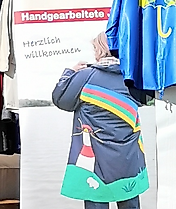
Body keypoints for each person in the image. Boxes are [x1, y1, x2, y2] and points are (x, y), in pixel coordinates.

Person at [53, 34, 148, 209]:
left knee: (96, 201)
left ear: (99, 50)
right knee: (130, 200)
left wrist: (70, 72)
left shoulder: (86, 77)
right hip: (128, 159)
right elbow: (146, 99)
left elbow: (60, 100)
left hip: (96, 162)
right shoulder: (134, 78)